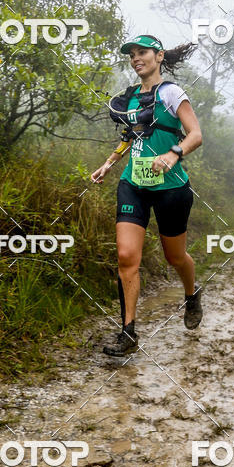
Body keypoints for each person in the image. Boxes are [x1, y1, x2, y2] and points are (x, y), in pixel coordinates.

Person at [91, 33, 204, 356]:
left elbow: (195, 134)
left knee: (175, 257)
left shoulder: (171, 93)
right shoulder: (129, 98)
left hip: (171, 189)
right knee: (127, 257)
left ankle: (191, 294)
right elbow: (132, 135)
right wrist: (109, 163)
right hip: (134, 186)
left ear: (159, 56)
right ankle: (128, 333)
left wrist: (173, 154)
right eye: (132, 54)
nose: (136, 58)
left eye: (143, 53)